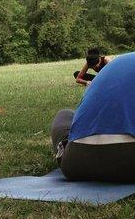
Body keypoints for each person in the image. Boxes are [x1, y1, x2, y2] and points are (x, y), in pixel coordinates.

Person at [52, 51, 135, 182]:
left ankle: (66, 146)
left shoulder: (117, 62)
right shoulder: (110, 62)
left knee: (64, 114)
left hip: (77, 162)